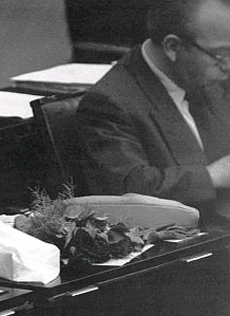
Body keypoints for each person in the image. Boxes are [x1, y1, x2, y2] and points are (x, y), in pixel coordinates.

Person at [76, 0, 230, 228]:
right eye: (222, 55)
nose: (228, 66)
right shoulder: (109, 102)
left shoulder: (208, 72)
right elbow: (129, 190)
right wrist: (212, 175)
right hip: (191, 238)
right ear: (172, 47)